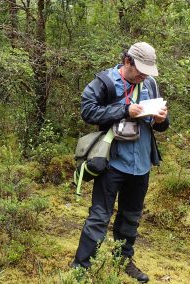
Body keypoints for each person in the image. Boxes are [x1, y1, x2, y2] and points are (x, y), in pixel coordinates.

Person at [72, 42, 169, 283]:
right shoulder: (105, 82)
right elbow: (88, 111)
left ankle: (123, 261)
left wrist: (160, 120)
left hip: (141, 164)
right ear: (127, 62)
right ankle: (80, 268)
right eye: (140, 70)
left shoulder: (150, 84)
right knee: (99, 217)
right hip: (111, 163)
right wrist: (125, 110)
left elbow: (162, 126)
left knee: (131, 217)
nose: (144, 75)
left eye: (148, 71)